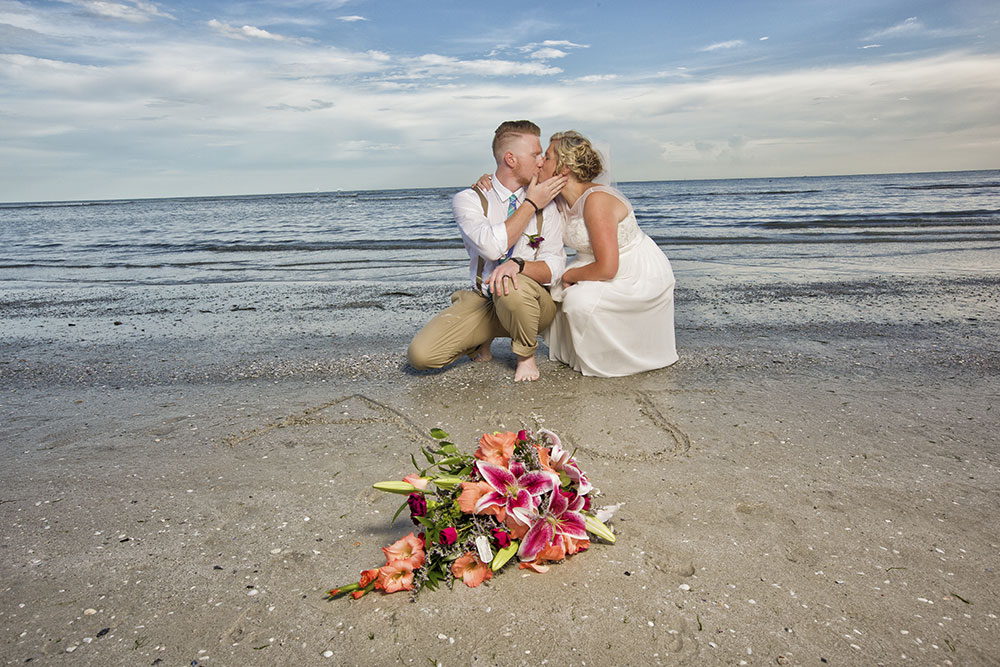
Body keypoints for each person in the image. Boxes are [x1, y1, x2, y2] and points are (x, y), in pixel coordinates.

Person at [407, 121, 568, 382]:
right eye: (535, 154)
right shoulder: (469, 200)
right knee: (422, 356)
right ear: (510, 159)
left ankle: (525, 357)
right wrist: (529, 205)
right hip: (485, 300)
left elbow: (556, 266)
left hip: (533, 304)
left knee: (510, 283)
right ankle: (480, 338)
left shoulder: (547, 201)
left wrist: (520, 265)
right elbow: (492, 247)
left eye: (541, 155)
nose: (541, 161)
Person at [542, 131, 679, 377]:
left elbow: (607, 268)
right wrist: (486, 182)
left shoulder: (596, 201)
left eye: (547, 157)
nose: (541, 162)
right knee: (548, 286)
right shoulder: (559, 199)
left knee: (577, 302)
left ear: (565, 168)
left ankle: (612, 359)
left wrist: (571, 276)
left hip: (633, 269)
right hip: (594, 261)